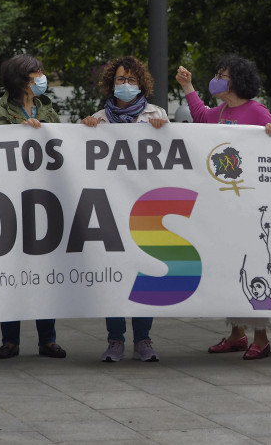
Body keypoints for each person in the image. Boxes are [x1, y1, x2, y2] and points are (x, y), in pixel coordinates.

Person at [176, 55, 271, 359]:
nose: (217, 78)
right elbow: (200, 116)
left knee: (252, 266)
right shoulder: (220, 111)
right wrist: (187, 86)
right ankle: (237, 333)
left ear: (238, 80)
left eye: (222, 74)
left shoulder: (256, 110)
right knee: (231, 268)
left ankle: (261, 338)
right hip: (225, 204)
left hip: (249, 203)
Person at [81, 56, 167, 363]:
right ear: (111, 83)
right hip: (110, 209)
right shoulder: (97, 120)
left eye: (132, 80)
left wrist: (164, 131)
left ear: (141, 83)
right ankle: (115, 340)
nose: (126, 85)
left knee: (145, 272)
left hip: (146, 209)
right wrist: (83, 131)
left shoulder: (157, 115)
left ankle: (143, 339)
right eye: (121, 80)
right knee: (114, 275)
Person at [0, 54, 66, 360]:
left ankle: (48, 339)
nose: (41, 76)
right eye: (36, 73)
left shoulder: (47, 107)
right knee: (12, 271)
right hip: (12, 199)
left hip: (45, 197)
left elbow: (63, 140)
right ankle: (10, 340)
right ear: (21, 78)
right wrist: (21, 129)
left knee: (44, 271)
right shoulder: (1, 111)